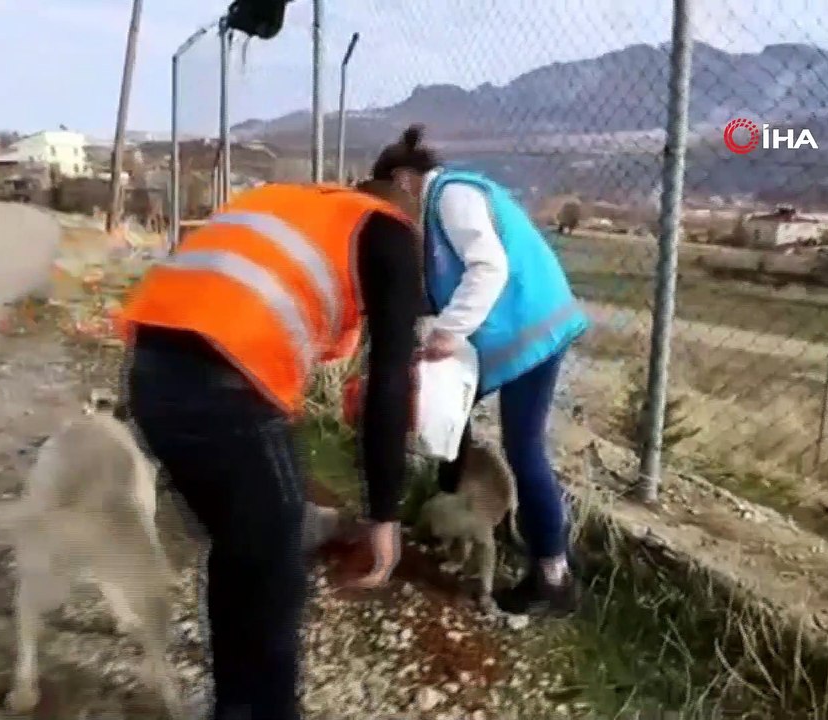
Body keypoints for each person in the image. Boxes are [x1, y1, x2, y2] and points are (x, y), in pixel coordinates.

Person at [117, 180, 424, 720]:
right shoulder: (391, 231)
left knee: (244, 547)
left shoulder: (285, 203)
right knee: (273, 568)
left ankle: (235, 704)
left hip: (149, 374)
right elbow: (389, 382)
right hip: (226, 384)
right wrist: (384, 515)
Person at [370, 125, 590, 616]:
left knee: (524, 450)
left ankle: (553, 577)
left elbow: (488, 267)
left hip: (533, 335)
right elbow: (441, 288)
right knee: (456, 420)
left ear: (403, 180)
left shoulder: (453, 196)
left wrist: (448, 332)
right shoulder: (437, 213)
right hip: (521, 335)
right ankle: (450, 516)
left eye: (388, 200)